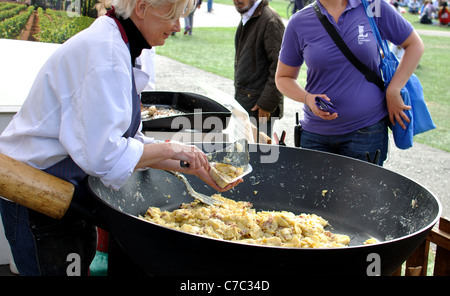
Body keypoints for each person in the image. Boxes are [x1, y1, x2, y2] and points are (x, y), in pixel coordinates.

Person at [0, 0, 242, 276]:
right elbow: (105, 157)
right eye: (174, 16)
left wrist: (190, 166)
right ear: (141, 8)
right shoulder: (104, 54)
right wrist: (173, 149)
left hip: (71, 192)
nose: (177, 26)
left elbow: (127, 143)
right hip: (35, 190)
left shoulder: (122, 42)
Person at [275, 0, 424, 165]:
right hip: (316, 136)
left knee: (364, 191)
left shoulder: (373, 7)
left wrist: (394, 90)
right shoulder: (299, 22)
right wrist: (307, 98)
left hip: (367, 131)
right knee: (316, 191)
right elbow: (283, 78)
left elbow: (414, 45)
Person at [233, 0, 285, 140]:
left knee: (260, 155)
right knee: (245, 152)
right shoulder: (250, 16)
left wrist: (267, 103)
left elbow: (281, 65)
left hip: (259, 106)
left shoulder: (270, 20)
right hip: (247, 101)